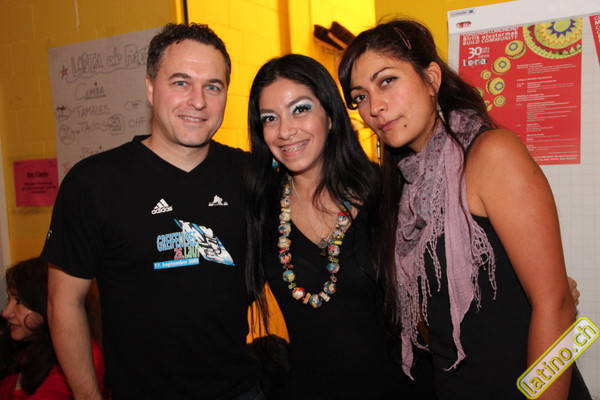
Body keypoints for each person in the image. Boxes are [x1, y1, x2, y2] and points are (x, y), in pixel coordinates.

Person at [338, 19, 591, 399]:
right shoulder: (408, 186)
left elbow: (555, 305)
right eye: (360, 97)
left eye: (387, 81)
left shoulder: (491, 154)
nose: (375, 107)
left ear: (431, 78)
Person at [42, 24, 262, 400]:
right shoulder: (94, 182)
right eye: (181, 82)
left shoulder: (251, 176)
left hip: (239, 390)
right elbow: (63, 301)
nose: (198, 101)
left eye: (213, 86)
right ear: (150, 88)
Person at [245, 54, 434, 399]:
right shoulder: (260, 209)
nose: (285, 131)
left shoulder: (387, 193)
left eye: (300, 109)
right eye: (269, 118)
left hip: (402, 388)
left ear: (330, 116)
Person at [0, 258, 104, 400]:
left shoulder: (82, 354)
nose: (6, 312)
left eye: (19, 301)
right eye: (8, 299)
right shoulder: (22, 348)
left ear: (47, 305)